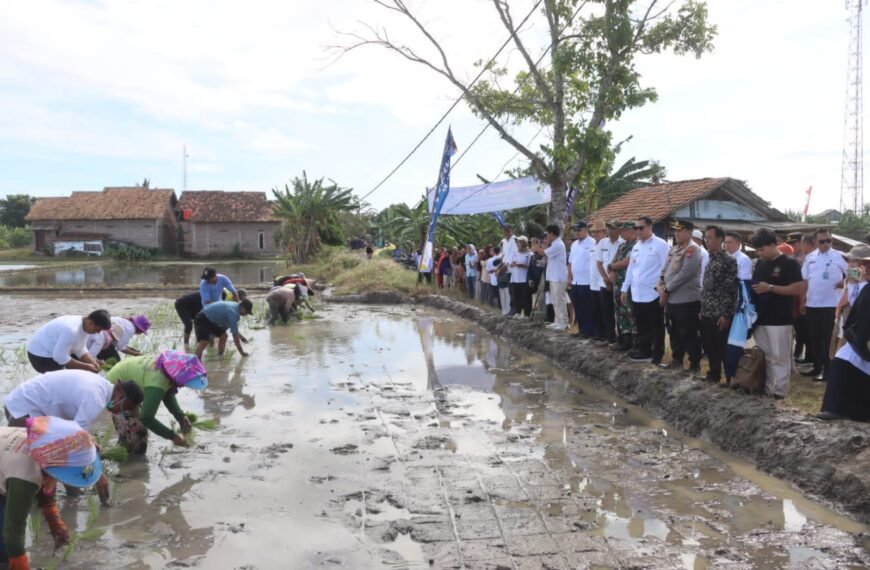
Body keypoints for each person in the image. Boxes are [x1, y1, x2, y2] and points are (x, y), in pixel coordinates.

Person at [0, 416, 103, 569]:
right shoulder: (25, 474)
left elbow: (47, 479)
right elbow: (14, 526)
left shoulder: (45, 448)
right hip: (12, 467)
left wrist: (53, 518)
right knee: (9, 544)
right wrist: (20, 563)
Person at [107, 350, 208, 453]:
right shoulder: (158, 380)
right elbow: (147, 418)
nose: (183, 385)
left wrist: (181, 417)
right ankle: (132, 464)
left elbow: (167, 394)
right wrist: (173, 436)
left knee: (136, 432)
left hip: (128, 386)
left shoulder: (168, 368)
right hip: (117, 393)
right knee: (137, 435)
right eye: (184, 382)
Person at [750, 228, 806, 399]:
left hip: (780, 318)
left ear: (774, 244)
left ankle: (780, 391)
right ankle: (767, 388)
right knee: (765, 356)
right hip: (761, 317)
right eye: (757, 250)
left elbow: (798, 288)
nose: (760, 253)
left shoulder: (789, 263)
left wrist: (771, 288)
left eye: (763, 249)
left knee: (780, 356)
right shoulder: (760, 264)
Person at [817, 249, 870, 421]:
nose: (863, 267)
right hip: (861, 334)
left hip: (864, 335)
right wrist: (855, 283)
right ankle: (839, 408)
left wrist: (860, 283)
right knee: (842, 362)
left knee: (844, 362)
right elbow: (857, 305)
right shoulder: (863, 284)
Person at [5, 369, 144, 429]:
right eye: (126, 406)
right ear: (120, 394)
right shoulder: (96, 399)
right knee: (24, 462)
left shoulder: (99, 384)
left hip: (21, 399)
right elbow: (75, 434)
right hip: (23, 410)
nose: (121, 411)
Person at [799, 228, 849, 381]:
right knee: (814, 337)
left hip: (831, 305)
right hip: (812, 304)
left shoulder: (839, 256)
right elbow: (805, 280)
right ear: (815, 242)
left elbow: (853, 272)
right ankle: (816, 366)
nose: (826, 244)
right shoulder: (810, 258)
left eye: (829, 240)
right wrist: (802, 301)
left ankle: (828, 370)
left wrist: (844, 281)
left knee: (828, 339)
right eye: (822, 241)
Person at [621, 217, 670, 363]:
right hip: (637, 293)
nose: (638, 231)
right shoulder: (636, 246)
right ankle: (644, 351)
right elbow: (631, 268)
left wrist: (663, 289)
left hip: (653, 293)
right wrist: (625, 288)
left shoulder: (661, 245)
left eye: (641, 228)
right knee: (641, 325)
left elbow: (665, 269)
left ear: (650, 227)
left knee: (656, 325)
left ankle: (657, 355)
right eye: (635, 228)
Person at [659, 220, 703, 374]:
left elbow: (685, 274)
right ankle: (676, 361)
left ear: (689, 232)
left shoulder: (693, 250)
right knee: (674, 331)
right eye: (675, 231)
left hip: (687, 300)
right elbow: (665, 270)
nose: (676, 233)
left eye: (680, 231)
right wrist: (661, 284)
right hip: (672, 300)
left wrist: (667, 290)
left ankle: (694, 365)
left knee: (689, 333)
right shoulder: (675, 249)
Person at [699, 225, 738, 383]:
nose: (706, 241)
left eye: (710, 237)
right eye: (705, 237)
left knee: (722, 346)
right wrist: (702, 308)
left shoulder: (728, 260)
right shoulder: (709, 258)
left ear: (720, 239)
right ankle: (713, 373)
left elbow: (730, 290)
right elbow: (707, 287)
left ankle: (729, 378)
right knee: (709, 345)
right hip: (708, 309)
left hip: (720, 311)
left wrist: (726, 314)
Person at [26, 311, 112, 374]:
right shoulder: (72, 330)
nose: (98, 333)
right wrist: (86, 366)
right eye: (97, 330)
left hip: (53, 352)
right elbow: (60, 357)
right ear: (91, 323)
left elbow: (80, 348)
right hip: (40, 355)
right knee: (60, 384)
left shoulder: (84, 325)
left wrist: (93, 361)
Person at [534, 224, 568, 331]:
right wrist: (543, 245)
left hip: (558, 277)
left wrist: (536, 246)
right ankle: (557, 321)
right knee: (554, 300)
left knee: (559, 300)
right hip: (553, 276)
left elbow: (543, 253)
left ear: (552, 233)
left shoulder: (559, 244)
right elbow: (546, 252)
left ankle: (563, 322)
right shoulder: (554, 244)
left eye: (547, 234)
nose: (546, 236)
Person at [609, 222, 637, 351]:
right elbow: (614, 261)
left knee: (629, 313)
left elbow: (626, 263)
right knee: (619, 313)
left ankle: (633, 343)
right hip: (618, 285)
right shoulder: (622, 246)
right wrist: (612, 268)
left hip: (629, 285)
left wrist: (612, 267)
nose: (622, 232)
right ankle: (623, 340)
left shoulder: (636, 245)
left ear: (632, 231)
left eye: (624, 230)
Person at [596, 220, 624, 344]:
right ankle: (610, 338)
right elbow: (599, 263)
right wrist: (605, 279)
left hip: (619, 284)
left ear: (619, 230)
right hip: (604, 283)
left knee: (620, 313)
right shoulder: (602, 243)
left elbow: (623, 265)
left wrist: (613, 280)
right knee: (606, 312)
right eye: (609, 228)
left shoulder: (623, 243)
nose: (611, 231)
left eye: (613, 229)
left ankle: (622, 339)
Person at [567, 222, 595, 338]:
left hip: (587, 281)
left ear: (586, 229)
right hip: (576, 281)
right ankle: (581, 329)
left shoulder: (592, 243)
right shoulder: (574, 245)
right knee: (578, 306)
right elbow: (570, 262)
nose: (576, 232)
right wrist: (569, 277)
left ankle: (588, 331)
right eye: (575, 230)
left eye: (579, 230)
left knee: (587, 307)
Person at [793, 234, 817, 364]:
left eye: (802, 244)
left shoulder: (810, 258)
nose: (801, 247)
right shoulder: (806, 258)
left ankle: (812, 357)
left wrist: (802, 301)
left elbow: (805, 282)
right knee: (803, 329)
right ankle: (809, 356)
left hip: (810, 299)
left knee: (807, 329)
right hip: (803, 298)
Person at [588, 221, 608, 341]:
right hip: (593, 282)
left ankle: (606, 336)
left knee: (604, 312)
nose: (595, 234)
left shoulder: (606, 244)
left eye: (597, 232)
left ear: (604, 232)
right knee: (596, 311)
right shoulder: (593, 245)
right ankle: (598, 334)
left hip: (603, 282)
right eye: (593, 232)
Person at [509, 236, 533, 317]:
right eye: (518, 242)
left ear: (525, 243)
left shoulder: (529, 253)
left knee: (525, 297)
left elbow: (530, 266)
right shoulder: (515, 252)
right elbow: (511, 263)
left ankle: (527, 314)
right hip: (515, 278)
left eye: (520, 242)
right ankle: (518, 312)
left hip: (524, 278)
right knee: (516, 296)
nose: (518, 244)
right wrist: (512, 264)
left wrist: (521, 265)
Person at [498, 224, 518, 314]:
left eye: (508, 230)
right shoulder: (504, 242)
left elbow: (516, 255)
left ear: (511, 230)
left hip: (514, 269)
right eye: (504, 230)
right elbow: (504, 255)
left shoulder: (515, 240)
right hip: (506, 268)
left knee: (514, 290)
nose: (506, 232)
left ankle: (514, 309)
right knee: (510, 290)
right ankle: (511, 309)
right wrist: (502, 264)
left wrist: (507, 265)